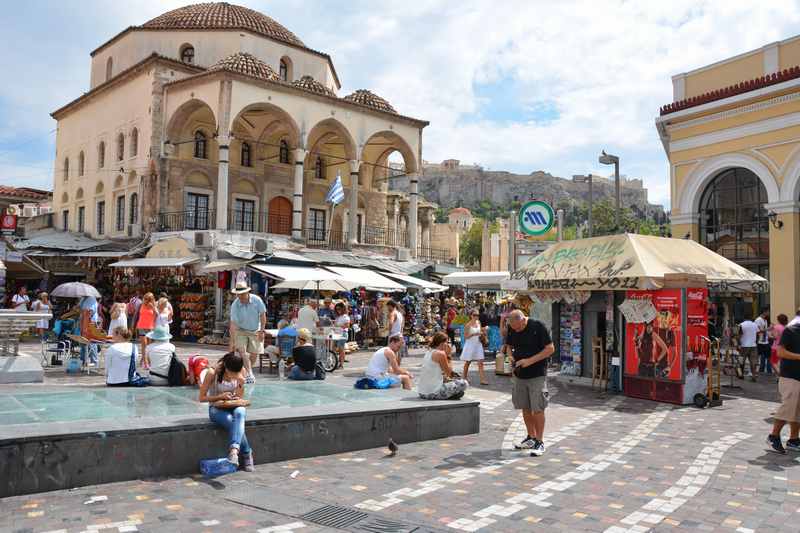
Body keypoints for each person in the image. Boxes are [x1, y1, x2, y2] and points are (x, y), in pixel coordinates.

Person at [506, 309, 555, 456]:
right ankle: (531, 438)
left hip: (537, 375)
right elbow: (508, 346)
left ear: (522, 319)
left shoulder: (538, 326)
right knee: (525, 407)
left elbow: (550, 349)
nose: (517, 330)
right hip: (519, 375)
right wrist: (511, 357)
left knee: (538, 408)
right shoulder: (512, 327)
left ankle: (540, 442)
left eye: (519, 327)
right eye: (514, 329)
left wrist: (529, 361)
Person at [199, 352, 254, 470]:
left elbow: (239, 396)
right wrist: (220, 396)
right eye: (231, 374)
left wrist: (240, 384)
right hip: (216, 407)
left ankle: (234, 452)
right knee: (231, 421)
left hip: (233, 405)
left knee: (240, 412)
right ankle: (247, 453)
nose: (234, 376)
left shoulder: (241, 372)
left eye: (236, 373)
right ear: (226, 367)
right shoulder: (212, 373)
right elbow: (201, 398)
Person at [767, 320, 800, 454]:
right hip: (790, 375)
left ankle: (793, 440)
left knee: (797, 410)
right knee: (788, 407)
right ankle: (773, 436)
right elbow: (780, 352)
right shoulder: (791, 330)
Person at [229, 281, 267, 384]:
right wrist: (232, 341)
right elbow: (232, 324)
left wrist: (262, 331)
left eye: (241, 294)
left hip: (255, 329)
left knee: (254, 353)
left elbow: (263, 316)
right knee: (242, 351)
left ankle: (247, 371)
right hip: (241, 330)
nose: (240, 297)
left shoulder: (257, 300)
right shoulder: (235, 305)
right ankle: (250, 373)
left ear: (247, 292)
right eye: (238, 294)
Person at [418, 332, 468, 400]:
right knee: (464, 383)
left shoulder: (428, 352)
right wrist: (449, 355)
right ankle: (447, 395)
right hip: (432, 393)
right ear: (442, 343)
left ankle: (451, 394)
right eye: (447, 342)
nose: (448, 344)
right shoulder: (441, 353)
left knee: (453, 384)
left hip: (422, 392)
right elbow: (449, 373)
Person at [461, 309, 489, 385]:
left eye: (477, 315)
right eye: (474, 315)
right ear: (471, 316)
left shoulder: (479, 322)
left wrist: (484, 330)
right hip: (470, 345)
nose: (476, 316)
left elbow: (480, 331)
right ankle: (464, 377)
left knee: (481, 362)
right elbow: (466, 337)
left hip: (478, 344)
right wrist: (474, 334)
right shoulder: (468, 325)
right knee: (468, 362)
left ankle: (482, 380)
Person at [136, 292, 157, 367]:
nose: (146, 300)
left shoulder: (153, 305)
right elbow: (136, 315)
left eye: (148, 299)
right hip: (141, 325)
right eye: (145, 298)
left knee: (149, 345)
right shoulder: (141, 305)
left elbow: (157, 314)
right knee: (144, 344)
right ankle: (145, 362)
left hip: (150, 327)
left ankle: (146, 359)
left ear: (151, 299)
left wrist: (153, 307)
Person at [739, 316, 759, 382]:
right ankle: (753, 375)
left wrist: (738, 344)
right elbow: (757, 334)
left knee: (742, 360)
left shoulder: (741, 325)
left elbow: (738, 334)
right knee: (753, 361)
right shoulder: (755, 325)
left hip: (744, 345)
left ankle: (741, 374)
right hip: (753, 345)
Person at [333, 302, 351, 368]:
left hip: (343, 334)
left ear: (343, 309)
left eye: (339, 309)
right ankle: (335, 363)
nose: (338, 310)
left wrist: (338, 325)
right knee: (334, 349)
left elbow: (347, 326)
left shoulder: (346, 317)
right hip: (336, 334)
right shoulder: (338, 317)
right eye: (337, 309)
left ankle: (341, 364)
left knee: (341, 349)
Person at [756, 309, 772, 376]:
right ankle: (761, 370)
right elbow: (758, 330)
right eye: (768, 312)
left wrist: (769, 335)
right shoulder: (758, 320)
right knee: (760, 356)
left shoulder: (765, 320)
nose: (768, 313)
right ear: (764, 312)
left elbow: (765, 330)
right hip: (759, 341)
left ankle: (768, 370)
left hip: (765, 341)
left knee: (768, 356)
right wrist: (768, 329)